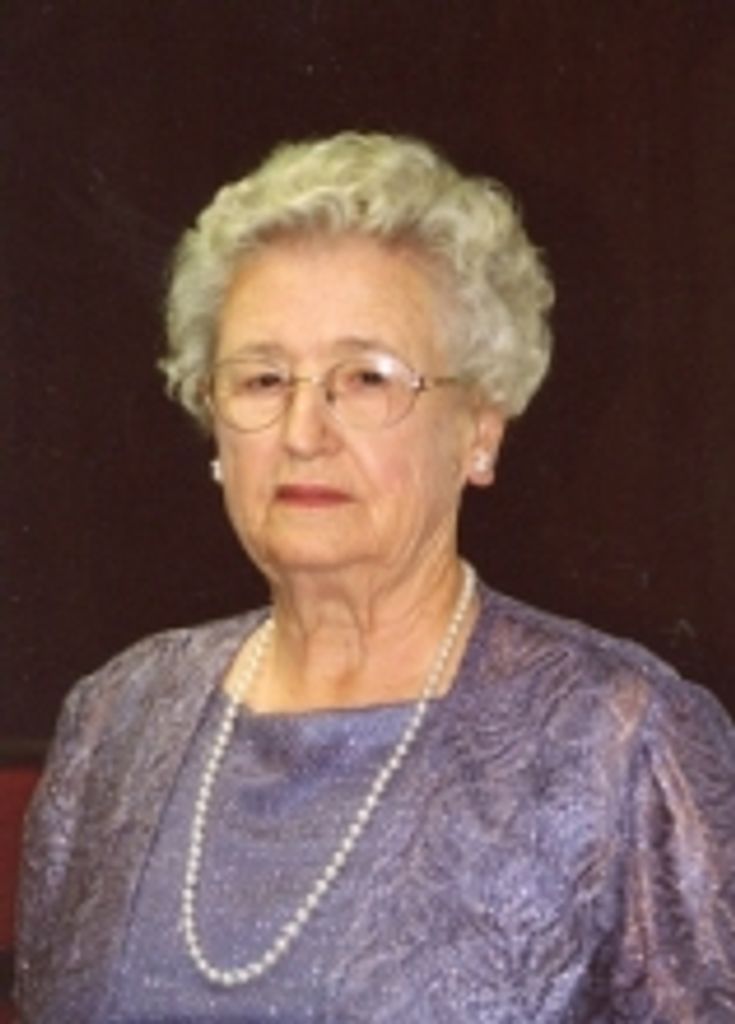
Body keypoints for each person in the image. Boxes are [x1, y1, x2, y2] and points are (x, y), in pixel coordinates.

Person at [15, 132, 735, 1023]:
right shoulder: (114, 723)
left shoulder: (622, 744)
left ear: (479, 428)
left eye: (365, 378)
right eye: (262, 379)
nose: (303, 431)